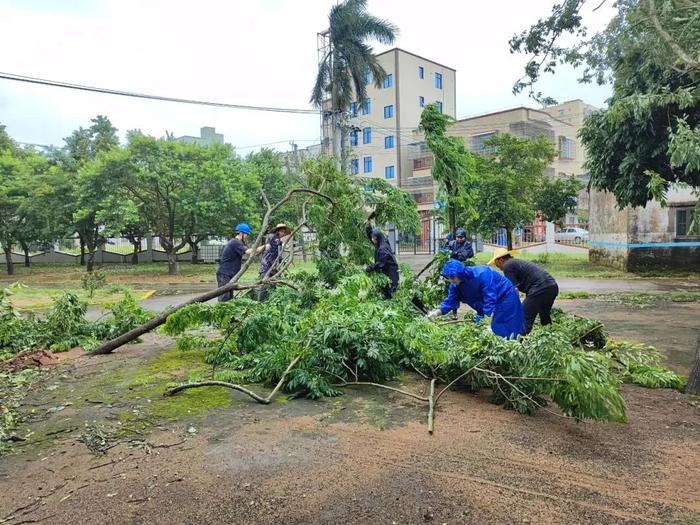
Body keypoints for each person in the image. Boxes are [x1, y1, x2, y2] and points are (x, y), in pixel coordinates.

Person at [427, 260, 525, 339]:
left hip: (505, 296)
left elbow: (489, 297)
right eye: (448, 278)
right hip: (485, 307)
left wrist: (488, 320)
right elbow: (450, 301)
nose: (451, 280)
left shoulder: (482, 274)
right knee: (480, 330)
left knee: (502, 326)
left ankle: (511, 347)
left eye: (452, 277)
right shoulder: (455, 285)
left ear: (460, 273)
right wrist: (437, 312)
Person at [490, 248, 559, 334]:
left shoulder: (507, 266)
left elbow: (514, 290)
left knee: (523, 317)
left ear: (500, 260)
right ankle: (550, 337)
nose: (497, 267)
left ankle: (520, 341)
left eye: (496, 263)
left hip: (540, 288)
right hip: (552, 287)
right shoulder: (515, 263)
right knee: (544, 315)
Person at [216, 223, 263, 302]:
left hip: (229, 275)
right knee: (224, 298)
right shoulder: (235, 242)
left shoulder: (238, 243)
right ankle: (221, 314)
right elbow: (248, 251)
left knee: (229, 300)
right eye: (246, 234)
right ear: (241, 233)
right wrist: (264, 247)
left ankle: (228, 314)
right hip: (224, 274)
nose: (247, 236)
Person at [257, 223, 291, 301]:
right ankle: (260, 302)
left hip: (273, 265)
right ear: (278, 231)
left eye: (284, 232)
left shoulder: (278, 240)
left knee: (273, 283)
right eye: (282, 231)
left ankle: (271, 301)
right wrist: (283, 244)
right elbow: (274, 242)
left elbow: (277, 252)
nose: (283, 233)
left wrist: (282, 259)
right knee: (264, 285)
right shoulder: (273, 237)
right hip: (266, 264)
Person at [365, 223, 400, 299]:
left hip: (391, 275)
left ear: (377, 238)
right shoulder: (383, 241)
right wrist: (368, 228)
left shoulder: (382, 249)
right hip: (388, 273)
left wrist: (370, 268)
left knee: (389, 293)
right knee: (386, 292)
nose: (372, 239)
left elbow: (379, 264)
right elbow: (372, 237)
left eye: (374, 238)